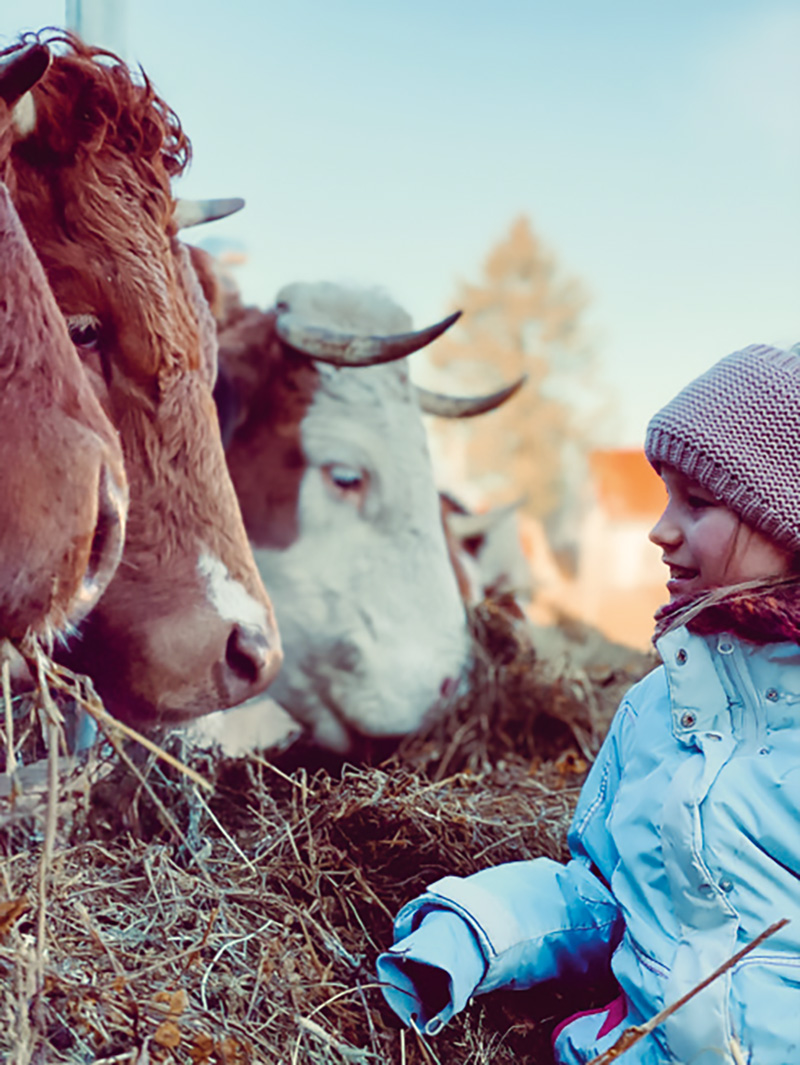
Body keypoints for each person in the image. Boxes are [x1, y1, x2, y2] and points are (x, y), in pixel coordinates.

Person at [376, 342, 800, 1065]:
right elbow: (603, 894)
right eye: (665, 496)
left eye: (698, 502)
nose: (661, 530)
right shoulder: (652, 709)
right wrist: (472, 929)